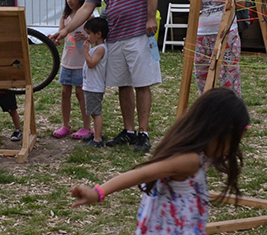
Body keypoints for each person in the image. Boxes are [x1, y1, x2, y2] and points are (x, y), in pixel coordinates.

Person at [69, 87, 250, 234]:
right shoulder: (190, 160)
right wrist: (98, 192)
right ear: (213, 131)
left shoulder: (199, 154)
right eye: (232, 142)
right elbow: (143, 173)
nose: (232, 150)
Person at [50, 0, 161, 153]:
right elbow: (87, 8)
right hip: (115, 37)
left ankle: (143, 133)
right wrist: (65, 31)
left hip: (139, 33)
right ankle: (129, 131)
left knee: (142, 83)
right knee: (123, 83)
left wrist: (150, 17)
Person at [189, 0, 242, 97]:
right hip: (202, 34)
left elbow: (242, 0)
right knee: (202, 77)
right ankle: (208, 112)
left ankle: (233, 112)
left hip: (227, 33)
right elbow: (193, 8)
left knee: (229, 75)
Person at [53, 0, 93, 140]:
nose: (69, 0)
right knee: (65, 93)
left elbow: (96, 37)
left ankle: (87, 126)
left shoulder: (89, 16)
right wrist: (56, 40)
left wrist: (87, 37)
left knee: (81, 93)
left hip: (81, 62)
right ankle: (66, 125)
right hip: (66, 62)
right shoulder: (65, 17)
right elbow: (60, 37)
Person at [81, 17, 108, 148]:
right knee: (92, 111)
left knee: (96, 112)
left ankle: (98, 139)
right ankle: (96, 133)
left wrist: (85, 51)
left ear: (98, 34)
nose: (87, 37)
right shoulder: (96, 48)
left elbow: (91, 64)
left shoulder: (100, 49)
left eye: (89, 33)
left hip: (95, 87)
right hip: (90, 85)